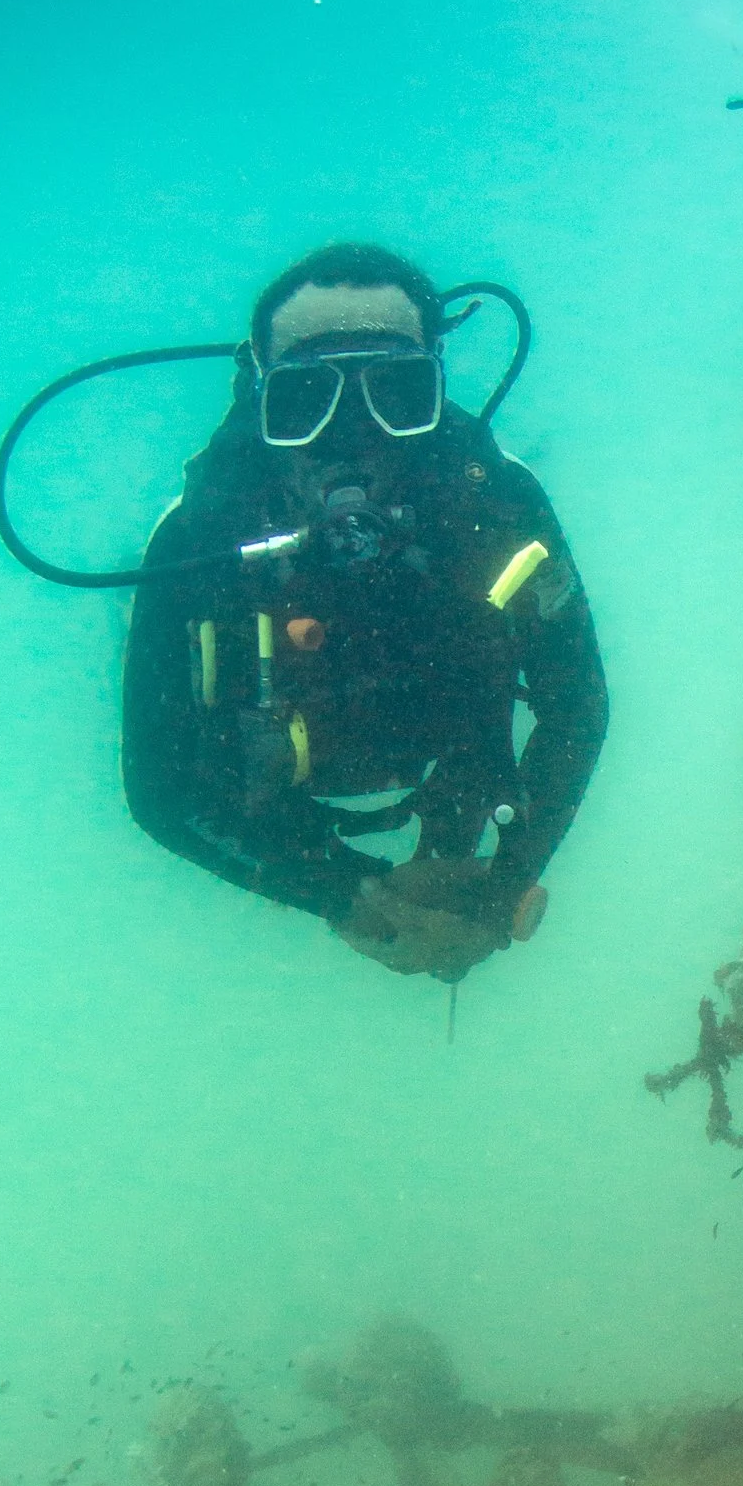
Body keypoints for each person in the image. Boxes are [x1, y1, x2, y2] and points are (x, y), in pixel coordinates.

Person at [122, 244, 607, 981]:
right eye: (304, 400)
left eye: (398, 394)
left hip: (459, 777)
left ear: (438, 390)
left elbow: (576, 707)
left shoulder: (502, 507)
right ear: (259, 399)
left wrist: (504, 880)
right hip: (286, 807)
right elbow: (162, 789)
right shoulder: (197, 539)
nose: (354, 435)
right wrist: (342, 894)